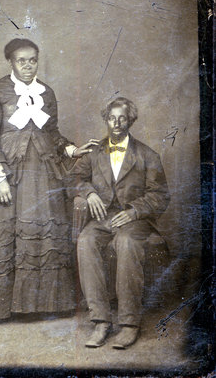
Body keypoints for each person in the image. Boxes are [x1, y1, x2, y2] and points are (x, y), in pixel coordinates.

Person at [0, 38, 98, 321]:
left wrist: (72, 149)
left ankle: (43, 305)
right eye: (21, 60)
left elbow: (53, 134)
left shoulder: (46, 92)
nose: (28, 65)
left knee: (41, 236)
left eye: (33, 60)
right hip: (10, 172)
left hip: (44, 173)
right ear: (10, 61)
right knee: (6, 233)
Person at [68, 97, 170, 348]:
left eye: (122, 118)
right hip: (103, 218)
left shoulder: (147, 154)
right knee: (85, 240)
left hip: (133, 220)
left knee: (125, 243)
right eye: (112, 118)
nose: (116, 123)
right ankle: (101, 321)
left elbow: (160, 195)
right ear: (106, 120)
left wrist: (135, 211)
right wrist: (89, 193)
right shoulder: (94, 152)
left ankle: (128, 324)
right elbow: (73, 179)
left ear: (131, 120)